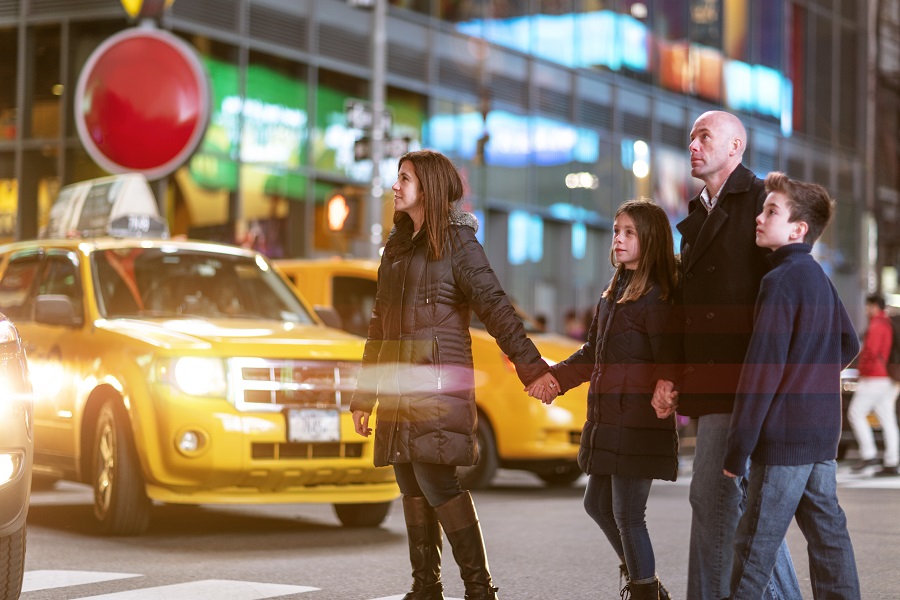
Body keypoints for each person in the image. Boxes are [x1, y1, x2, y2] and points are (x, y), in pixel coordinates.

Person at [349, 149, 557, 600]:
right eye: (396, 177)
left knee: (437, 480)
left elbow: (498, 310)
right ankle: (426, 587)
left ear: (429, 187)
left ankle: (480, 591)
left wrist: (533, 370)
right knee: (410, 481)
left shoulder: (460, 245)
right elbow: (380, 326)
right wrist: (365, 396)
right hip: (401, 388)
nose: (395, 185)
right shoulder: (397, 248)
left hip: (437, 387)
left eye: (404, 178)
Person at [651, 110, 802, 600]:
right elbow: (685, 308)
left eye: (705, 136)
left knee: (719, 499)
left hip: (749, 381)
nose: (693, 145)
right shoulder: (696, 218)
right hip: (714, 384)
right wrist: (671, 374)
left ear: (736, 147)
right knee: (738, 506)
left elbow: (792, 284)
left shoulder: (764, 203)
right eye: (691, 136)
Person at [528, 199, 681, 600]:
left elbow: (671, 356)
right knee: (597, 503)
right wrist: (554, 381)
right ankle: (644, 581)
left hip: (639, 423)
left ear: (650, 239)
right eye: (616, 231)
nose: (618, 238)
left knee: (629, 516)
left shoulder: (659, 296)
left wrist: (668, 389)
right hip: (609, 420)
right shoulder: (614, 292)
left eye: (629, 232)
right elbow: (591, 353)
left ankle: (645, 591)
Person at [723, 171, 861, 598]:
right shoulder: (817, 276)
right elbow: (849, 342)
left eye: (771, 211)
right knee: (828, 537)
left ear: (798, 229)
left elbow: (761, 372)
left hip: (783, 439)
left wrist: (737, 448)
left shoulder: (779, 281)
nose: (759, 219)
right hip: (821, 434)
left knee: (754, 546)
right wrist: (811, 381)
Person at [847, 293, 900, 476]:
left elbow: (870, 352)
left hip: (876, 377)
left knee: (855, 412)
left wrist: (861, 373)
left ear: (874, 306)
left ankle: (869, 454)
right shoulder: (889, 323)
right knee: (887, 418)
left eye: (868, 306)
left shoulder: (877, 325)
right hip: (891, 377)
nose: (866, 310)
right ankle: (892, 461)